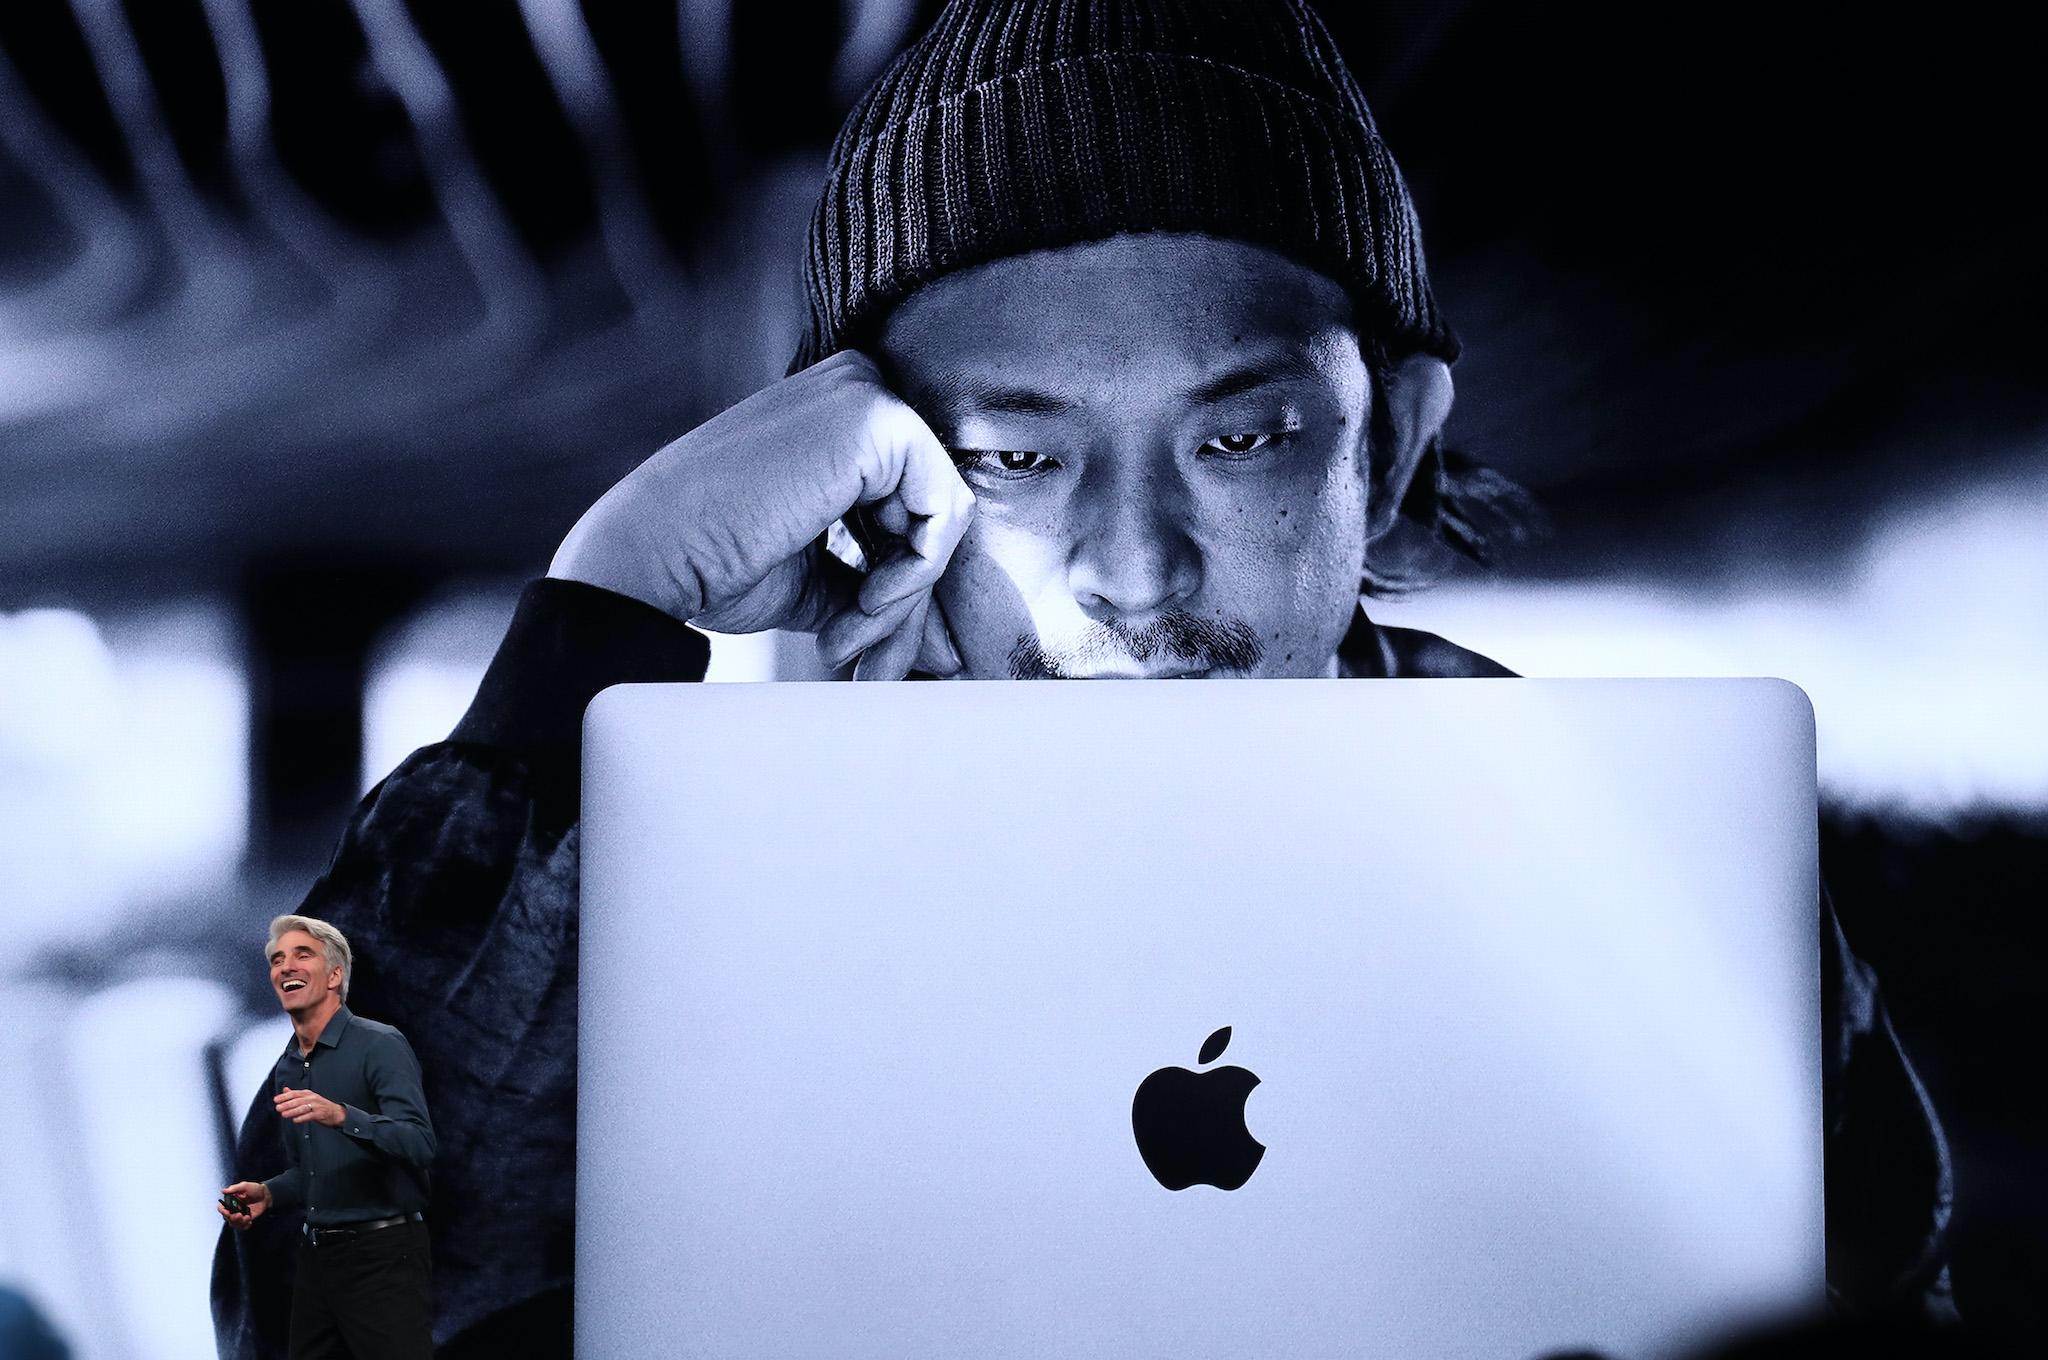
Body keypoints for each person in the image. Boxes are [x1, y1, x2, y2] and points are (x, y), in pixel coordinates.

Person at [214, 1, 1954, 1353]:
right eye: (1020, 461)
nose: (1137, 568)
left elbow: (1882, 1307)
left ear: (1396, 440)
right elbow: (310, 1322)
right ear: (872, 478)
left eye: (1244, 434)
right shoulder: (688, 867)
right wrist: (607, 601)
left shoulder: (1633, 871)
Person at [217, 915, 437, 1359]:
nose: (287, 970)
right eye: (279, 960)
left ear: (335, 975)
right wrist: (267, 1192)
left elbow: (416, 1143)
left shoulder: (380, 1044)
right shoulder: (290, 1066)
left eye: (303, 958)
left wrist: (341, 1116)